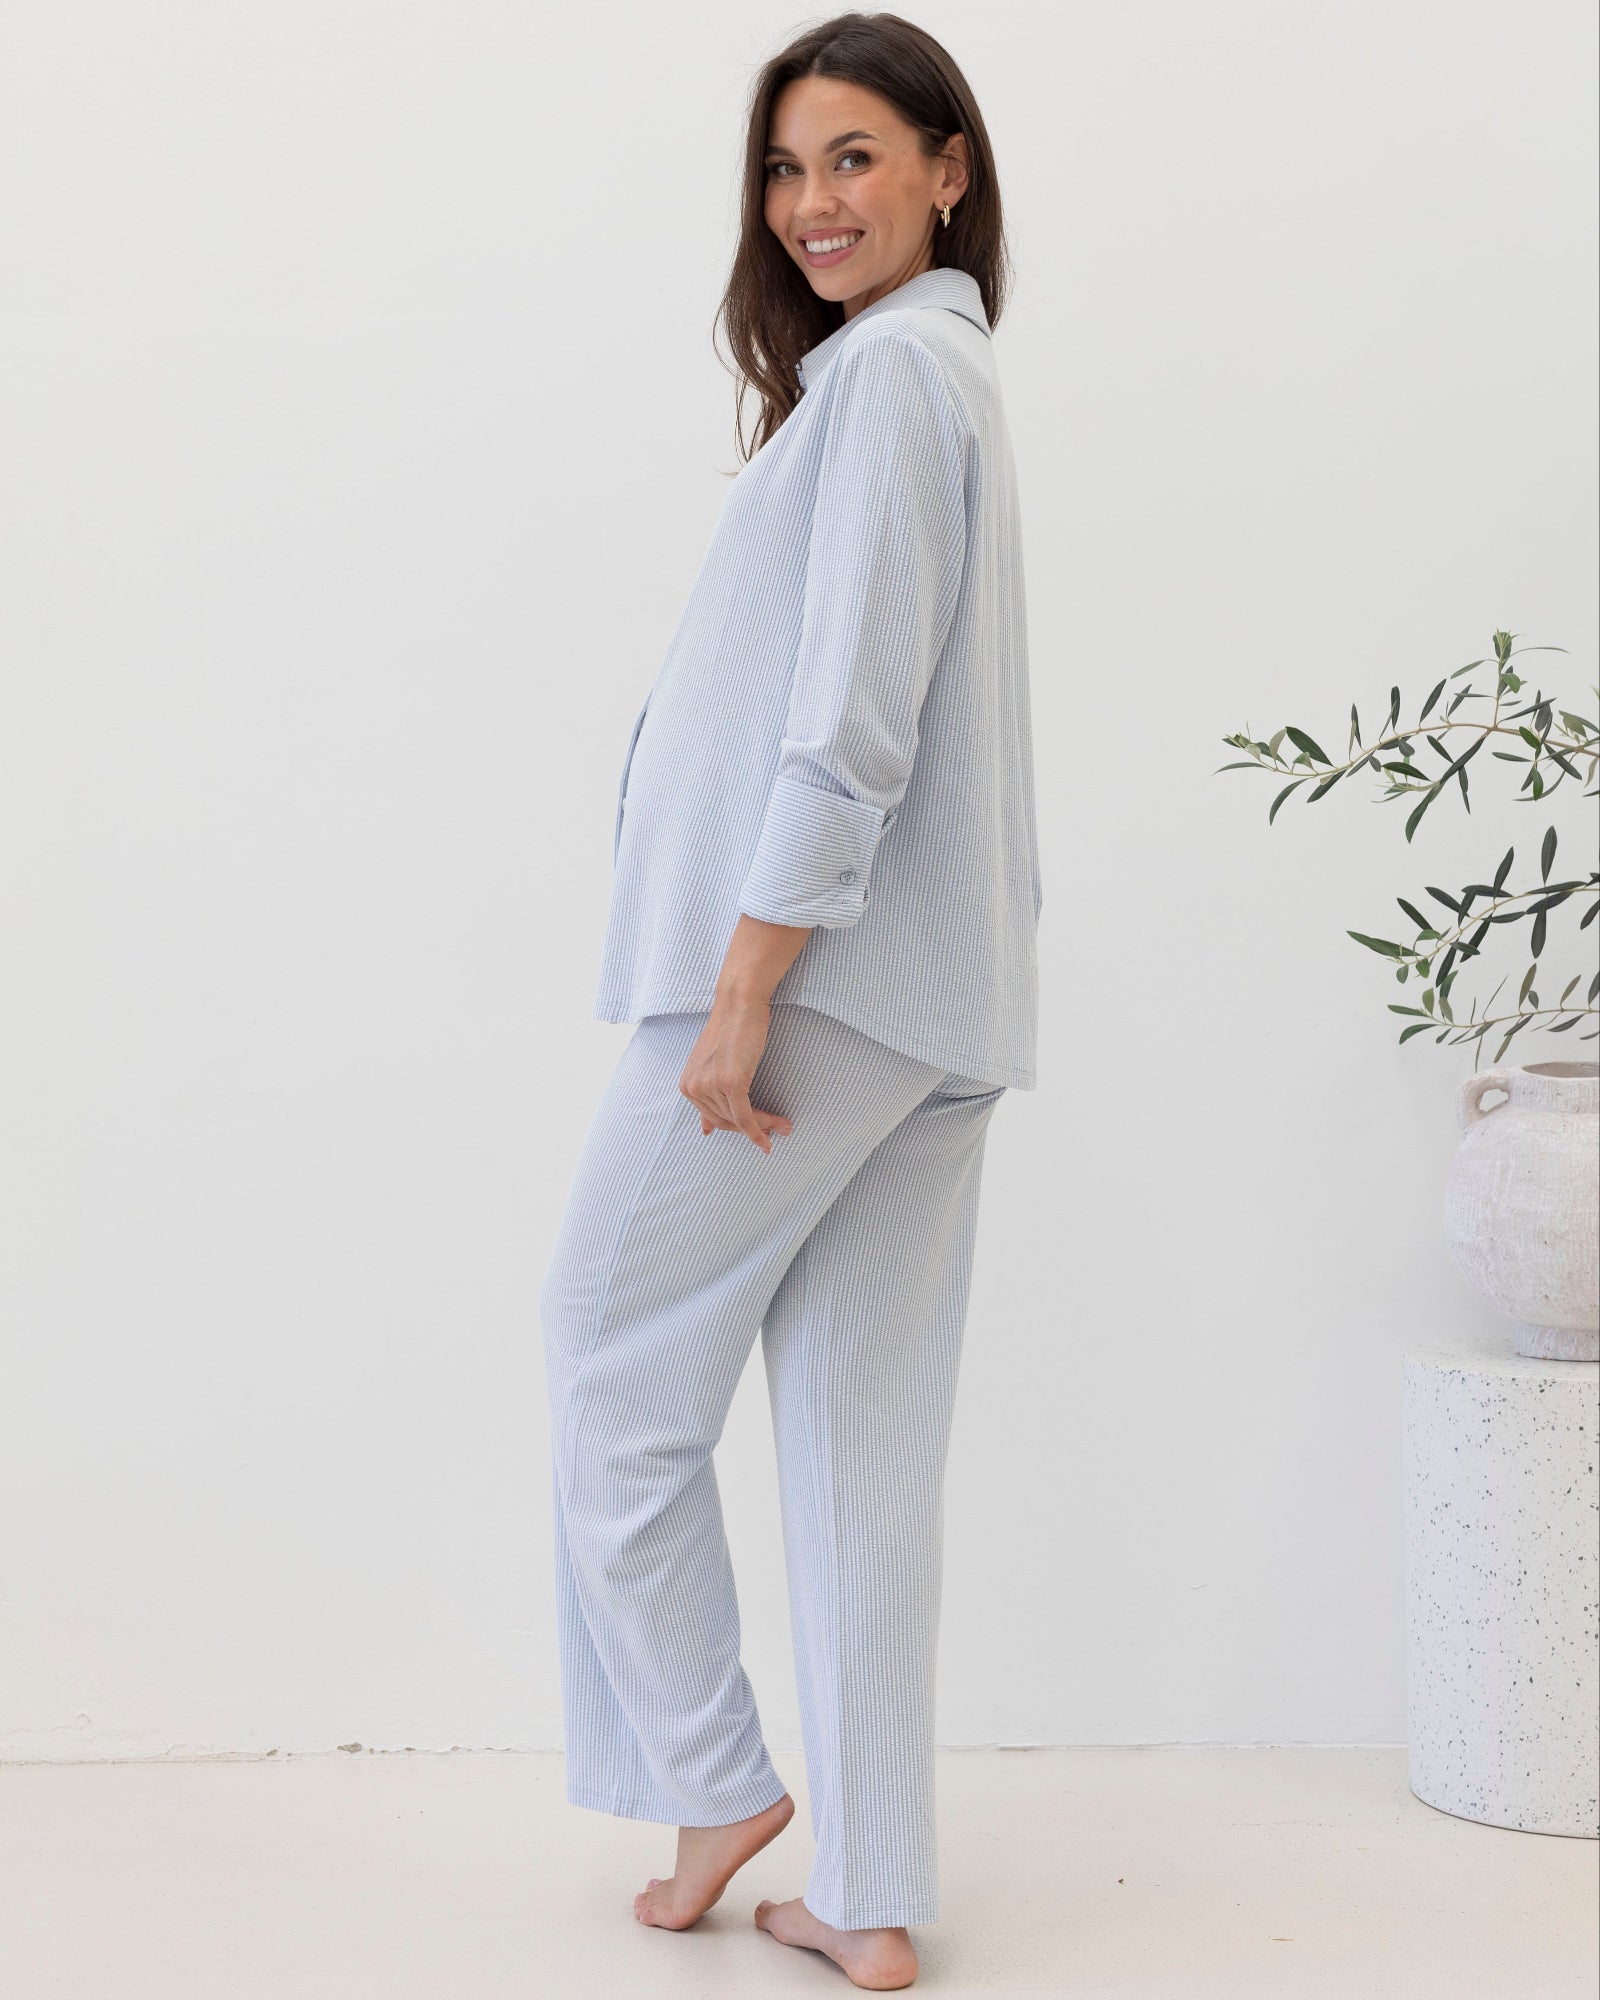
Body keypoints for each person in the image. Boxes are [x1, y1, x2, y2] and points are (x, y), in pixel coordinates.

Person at [539, 12, 1041, 1991]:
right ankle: (874, 1892)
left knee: (599, 1349)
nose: (811, 202)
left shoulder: (898, 384)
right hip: (932, 1006)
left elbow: (845, 725)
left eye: (851, 158)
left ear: (945, 170)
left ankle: (711, 1774)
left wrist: (743, 987)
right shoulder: (925, 381)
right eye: (781, 169)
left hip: (810, 983)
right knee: (857, 1442)